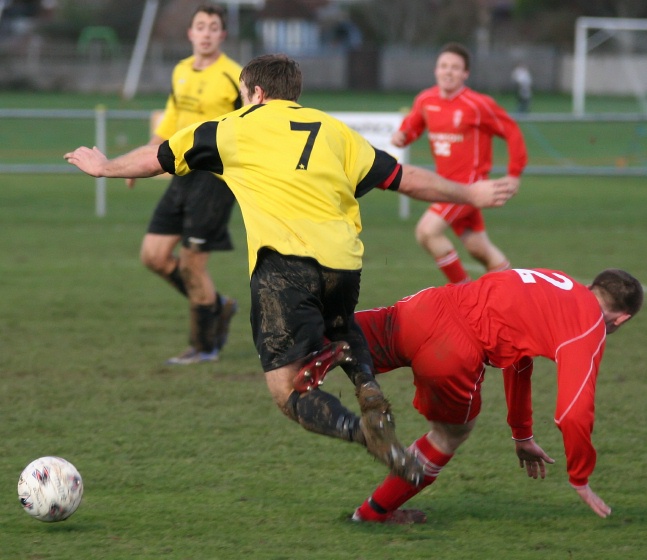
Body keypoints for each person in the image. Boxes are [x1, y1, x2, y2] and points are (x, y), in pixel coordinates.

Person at [64, 54, 517, 484]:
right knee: (339, 326)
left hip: (283, 265)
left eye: (244, 94)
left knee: (288, 391)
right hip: (344, 262)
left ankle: (368, 435)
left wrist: (104, 167)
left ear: (257, 92)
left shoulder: (233, 127)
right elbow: (404, 178)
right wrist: (470, 194)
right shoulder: (334, 130)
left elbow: (159, 156)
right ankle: (368, 387)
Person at [350, 268, 642, 524]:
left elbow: (518, 354)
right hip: (452, 350)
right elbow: (573, 413)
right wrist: (580, 477)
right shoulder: (589, 325)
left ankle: (306, 371)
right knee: (449, 434)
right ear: (622, 319)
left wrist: (522, 433)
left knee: (329, 337)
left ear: (592, 286)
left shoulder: (558, 281)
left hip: (426, 305)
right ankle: (374, 512)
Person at [127, 4, 242, 365]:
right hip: (181, 174)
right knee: (154, 256)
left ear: (222, 35)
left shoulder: (235, 76)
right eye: (200, 26)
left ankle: (204, 347)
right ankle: (217, 305)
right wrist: (138, 162)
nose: (206, 33)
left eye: (213, 27)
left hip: (215, 180)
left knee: (193, 265)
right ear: (190, 33)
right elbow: (167, 127)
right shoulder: (180, 71)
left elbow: (251, 127)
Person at [392, 42, 528, 285]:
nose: (448, 71)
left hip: (470, 186)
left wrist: (514, 173)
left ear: (465, 74)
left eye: (455, 68)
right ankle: (517, 293)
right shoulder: (426, 99)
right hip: (445, 186)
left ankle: (463, 295)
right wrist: (403, 135)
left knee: (427, 231)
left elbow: (511, 130)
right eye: (444, 66)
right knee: (479, 248)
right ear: (436, 70)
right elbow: (414, 124)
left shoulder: (478, 104)